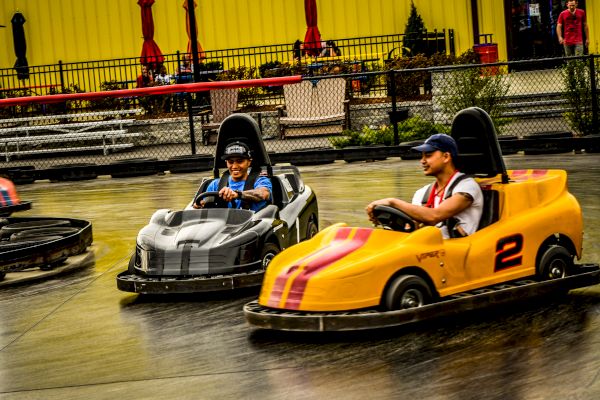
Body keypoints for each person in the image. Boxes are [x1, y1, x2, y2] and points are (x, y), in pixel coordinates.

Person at [365, 134, 483, 239]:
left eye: (428, 155)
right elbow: (413, 227)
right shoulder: (422, 194)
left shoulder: (467, 187)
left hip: (457, 254)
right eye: (422, 156)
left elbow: (434, 216)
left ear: (446, 157)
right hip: (430, 252)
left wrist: (393, 202)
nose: (422, 161)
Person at [194, 141, 272, 212]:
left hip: (253, 223)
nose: (234, 166)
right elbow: (206, 206)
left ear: (249, 162)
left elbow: (263, 194)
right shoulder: (215, 185)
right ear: (226, 163)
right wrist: (201, 205)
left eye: (240, 161)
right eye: (230, 162)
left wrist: (238, 194)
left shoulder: (261, 181)